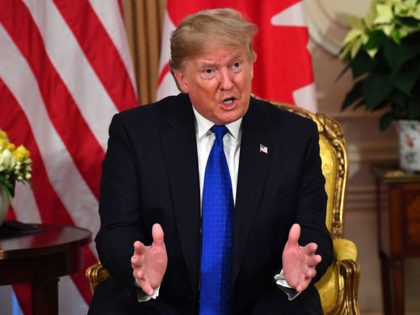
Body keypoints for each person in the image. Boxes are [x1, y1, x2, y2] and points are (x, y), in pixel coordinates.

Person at [88, 8, 333, 315]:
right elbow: (116, 229)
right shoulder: (136, 133)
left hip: (265, 302)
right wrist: (139, 269)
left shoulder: (294, 136)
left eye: (236, 65)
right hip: (161, 300)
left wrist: (297, 271)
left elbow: (313, 232)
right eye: (209, 71)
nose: (228, 83)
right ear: (182, 79)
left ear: (252, 65)